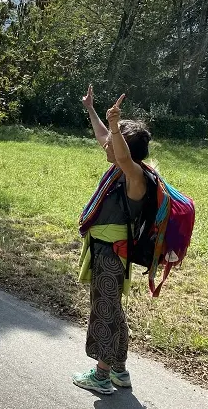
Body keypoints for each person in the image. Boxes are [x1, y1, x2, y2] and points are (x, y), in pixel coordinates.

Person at [73, 84, 152, 394]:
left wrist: (116, 125)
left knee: (104, 310)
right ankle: (119, 369)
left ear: (125, 151)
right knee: (114, 309)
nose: (105, 143)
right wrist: (91, 110)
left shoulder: (135, 177)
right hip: (105, 248)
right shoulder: (121, 169)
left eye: (114, 139)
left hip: (112, 252)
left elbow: (114, 146)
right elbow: (105, 139)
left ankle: (102, 375)